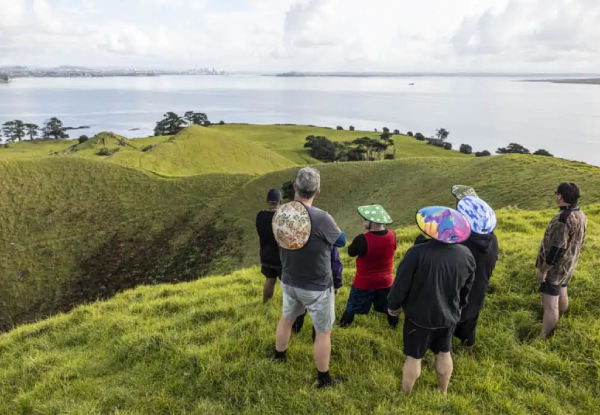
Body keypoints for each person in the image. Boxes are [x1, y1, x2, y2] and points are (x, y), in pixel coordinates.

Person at [388, 207, 475, 396]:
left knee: (414, 357)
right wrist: (458, 308)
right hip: (449, 316)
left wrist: (392, 306)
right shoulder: (466, 255)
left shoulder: (417, 253)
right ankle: (443, 391)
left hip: (419, 317)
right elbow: (467, 288)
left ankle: (405, 394)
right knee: (444, 353)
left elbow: (401, 284)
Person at [274, 167, 346, 388]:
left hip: (288, 279)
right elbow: (341, 241)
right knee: (323, 332)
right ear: (318, 192)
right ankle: (323, 379)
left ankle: (279, 357)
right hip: (317, 285)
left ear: (295, 187)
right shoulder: (322, 218)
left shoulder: (281, 212)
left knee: (287, 318)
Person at [536, 182, 587, 338]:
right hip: (569, 264)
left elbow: (557, 249)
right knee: (562, 293)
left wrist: (543, 269)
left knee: (550, 306)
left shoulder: (562, 219)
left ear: (560, 196)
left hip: (555, 267)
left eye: (556, 193)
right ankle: (561, 320)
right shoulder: (581, 214)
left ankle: (545, 336)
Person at [340, 204, 398, 328]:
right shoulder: (393, 235)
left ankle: (343, 327)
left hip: (364, 282)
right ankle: (394, 327)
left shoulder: (362, 239)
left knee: (352, 307)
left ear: (372, 222)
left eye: (366, 219)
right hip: (386, 281)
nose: (364, 221)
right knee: (390, 307)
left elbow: (351, 252)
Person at [454, 196, 499, 352]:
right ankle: (468, 349)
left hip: (456, 293)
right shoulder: (493, 240)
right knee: (471, 319)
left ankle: (444, 353)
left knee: (448, 323)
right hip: (478, 289)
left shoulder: (460, 245)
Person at [291, 243, 345, 340]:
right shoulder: (328, 237)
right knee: (320, 316)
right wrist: (337, 284)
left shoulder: (299, 234)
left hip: (300, 281)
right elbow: (336, 264)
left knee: (300, 307)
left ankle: (295, 330)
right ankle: (317, 341)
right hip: (321, 284)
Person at [255, 188, 283, 303]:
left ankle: (265, 303)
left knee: (269, 280)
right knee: (286, 285)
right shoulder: (282, 217)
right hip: (281, 258)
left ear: (267, 201)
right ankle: (289, 309)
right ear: (279, 201)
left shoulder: (260, 215)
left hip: (266, 255)